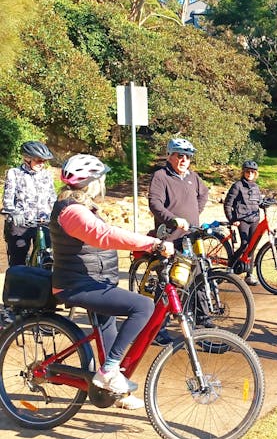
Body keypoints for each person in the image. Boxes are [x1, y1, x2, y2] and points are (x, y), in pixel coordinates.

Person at [50, 154, 174, 410]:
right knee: (142, 307)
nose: (103, 184)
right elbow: (103, 236)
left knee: (110, 333)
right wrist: (151, 243)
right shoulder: (72, 211)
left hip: (93, 281)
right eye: (101, 179)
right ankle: (107, 372)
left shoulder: (79, 206)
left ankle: (117, 391)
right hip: (77, 285)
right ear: (92, 183)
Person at [148, 137, 211, 344]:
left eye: (188, 156)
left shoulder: (193, 177)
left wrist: (195, 213)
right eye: (180, 155)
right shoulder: (161, 176)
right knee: (169, 281)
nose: (184, 159)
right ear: (170, 156)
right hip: (169, 236)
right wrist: (172, 219)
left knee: (198, 274)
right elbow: (154, 203)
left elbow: (203, 195)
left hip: (191, 234)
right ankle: (157, 329)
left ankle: (202, 319)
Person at [2, 141, 56, 267]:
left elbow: (52, 198)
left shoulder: (47, 175)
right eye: (38, 160)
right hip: (21, 223)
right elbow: (8, 200)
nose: (42, 164)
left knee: (48, 259)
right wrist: (14, 212)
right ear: (27, 158)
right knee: (17, 262)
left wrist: (57, 214)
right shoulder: (14, 173)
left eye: (44, 161)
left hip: (44, 221)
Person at [223, 160, 262, 285]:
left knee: (253, 246)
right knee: (245, 244)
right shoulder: (237, 186)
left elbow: (258, 202)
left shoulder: (255, 186)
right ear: (243, 172)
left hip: (254, 218)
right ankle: (231, 268)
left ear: (255, 174)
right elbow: (228, 204)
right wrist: (232, 219)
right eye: (247, 171)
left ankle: (249, 275)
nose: (250, 174)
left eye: (252, 172)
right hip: (242, 220)